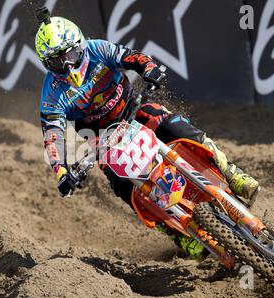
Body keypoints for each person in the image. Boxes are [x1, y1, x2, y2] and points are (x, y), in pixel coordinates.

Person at [35, 9, 259, 260]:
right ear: (47, 63)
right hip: (101, 139)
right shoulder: (51, 94)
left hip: (134, 108)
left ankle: (228, 170)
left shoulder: (97, 49)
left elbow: (133, 57)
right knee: (123, 188)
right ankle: (176, 232)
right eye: (57, 61)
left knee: (177, 128)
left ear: (80, 44)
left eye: (71, 54)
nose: (67, 64)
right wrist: (62, 172)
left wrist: (149, 69)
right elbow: (52, 136)